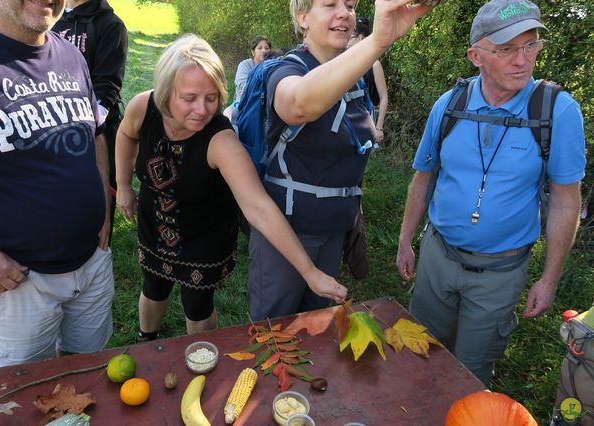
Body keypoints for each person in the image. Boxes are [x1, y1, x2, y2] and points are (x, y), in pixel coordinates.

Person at [396, 0, 585, 387]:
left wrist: (549, 279)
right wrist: (404, 240)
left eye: (531, 46)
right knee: (420, 356)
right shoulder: (449, 106)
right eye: (506, 49)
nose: (523, 60)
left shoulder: (557, 112)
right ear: (475, 56)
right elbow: (423, 177)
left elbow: (567, 199)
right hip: (437, 257)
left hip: (500, 272)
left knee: (470, 374)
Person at [115, 34, 346, 341]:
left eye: (211, 98)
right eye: (189, 98)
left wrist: (310, 273)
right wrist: (123, 185)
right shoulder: (143, 108)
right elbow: (125, 134)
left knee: (196, 304)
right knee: (153, 285)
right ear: (166, 90)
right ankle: (147, 338)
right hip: (155, 221)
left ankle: (199, 355)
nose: (202, 109)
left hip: (204, 236)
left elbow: (259, 209)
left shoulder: (220, 141)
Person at [248, 0, 432, 321]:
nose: (344, 13)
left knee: (317, 329)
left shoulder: (354, 77)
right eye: (330, 4)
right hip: (288, 234)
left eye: (349, 4)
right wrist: (377, 41)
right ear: (302, 17)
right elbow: (298, 105)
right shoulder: (285, 69)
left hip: (334, 230)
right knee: (272, 335)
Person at [0, 0, 114, 368]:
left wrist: (103, 205)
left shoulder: (70, 55)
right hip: (16, 281)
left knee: (86, 374)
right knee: (22, 397)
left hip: (91, 263)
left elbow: (96, 134)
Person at [53, 0, 128, 241]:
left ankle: (99, 243)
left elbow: (107, 87)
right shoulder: (47, 15)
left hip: (93, 125)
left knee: (96, 190)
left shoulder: (110, 25)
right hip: (47, 121)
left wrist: (84, 125)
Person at [347, 16, 388, 145]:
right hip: (345, 122)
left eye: (350, 36)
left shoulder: (374, 65)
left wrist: (379, 127)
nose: (346, 40)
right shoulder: (342, 62)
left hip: (365, 123)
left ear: (361, 38)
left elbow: (384, 98)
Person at [223, 35, 272, 120]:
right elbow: (243, 86)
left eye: (266, 48)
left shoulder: (272, 66)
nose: (264, 51)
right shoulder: (245, 65)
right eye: (260, 48)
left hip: (265, 103)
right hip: (243, 102)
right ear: (253, 52)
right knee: (228, 113)